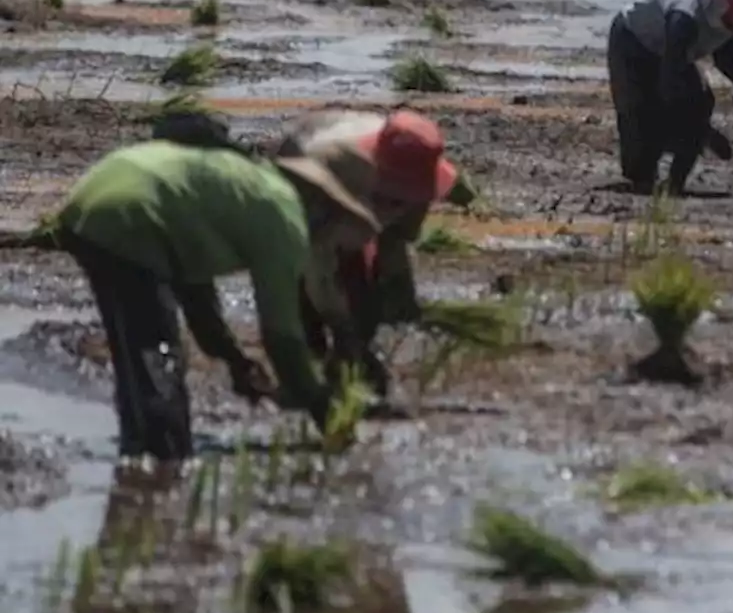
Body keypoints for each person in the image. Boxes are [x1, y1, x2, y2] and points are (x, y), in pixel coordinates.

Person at [50, 119, 436, 461]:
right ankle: (162, 460)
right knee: (156, 353)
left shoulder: (247, 192)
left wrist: (234, 359)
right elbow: (282, 337)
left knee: (136, 349)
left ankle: (141, 451)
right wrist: (326, 411)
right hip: (130, 213)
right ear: (324, 209)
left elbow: (197, 296)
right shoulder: (284, 221)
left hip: (91, 203)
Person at [271, 109, 458, 401]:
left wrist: (402, 295)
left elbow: (395, 242)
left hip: (357, 180)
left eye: (403, 198)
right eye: (392, 197)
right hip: (306, 179)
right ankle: (305, 377)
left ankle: (346, 366)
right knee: (303, 299)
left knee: (366, 302)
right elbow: (317, 257)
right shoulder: (326, 166)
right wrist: (338, 323)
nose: (397, 206)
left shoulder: (420, 171)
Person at [607, 0, 733, 196]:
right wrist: (702, 129)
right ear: (724, 6)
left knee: (701, 103)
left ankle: (676, 183)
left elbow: (730, 64)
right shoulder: (686, 16)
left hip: (674, 53)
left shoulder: (729, 21)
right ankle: (643, 176)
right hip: (633, 41)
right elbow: (670, 80)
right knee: (640, 112)